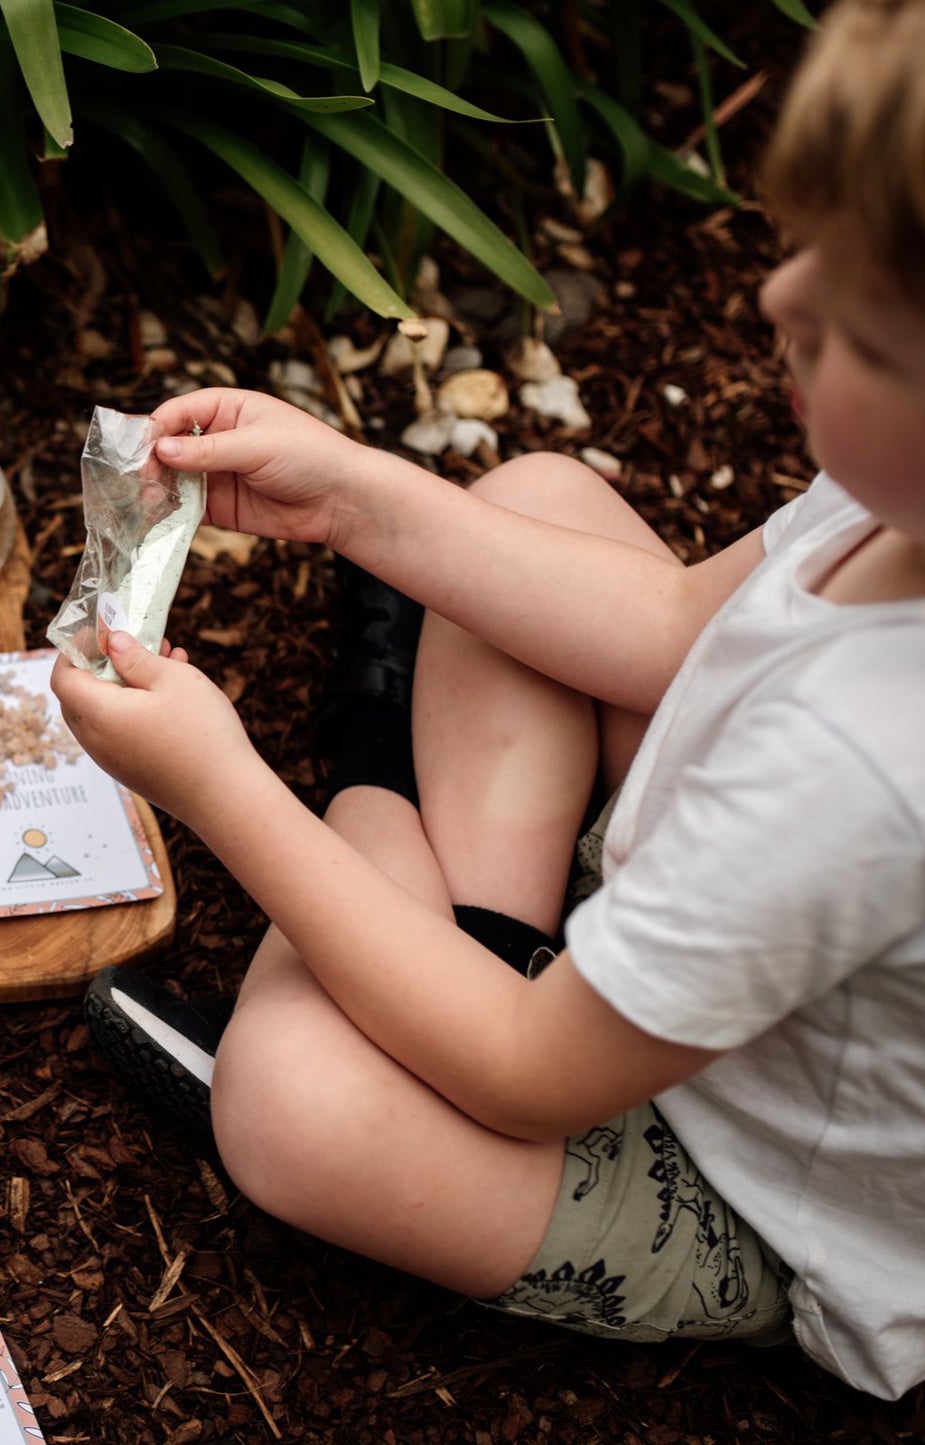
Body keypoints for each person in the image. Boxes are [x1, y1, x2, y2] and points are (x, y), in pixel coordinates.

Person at [49, 0, 925, 1402]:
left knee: (290, 1108)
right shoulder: (902, 506)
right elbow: (670, 626)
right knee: (528, 505)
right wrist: (360, 496)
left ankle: (371, 800)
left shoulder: (864, 766)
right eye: (804, 251)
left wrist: (216, 782)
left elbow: (527, 1071)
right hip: (696, 942)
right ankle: (459, 938)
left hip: (744, 1172)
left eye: (860, 334)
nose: (775, 302)